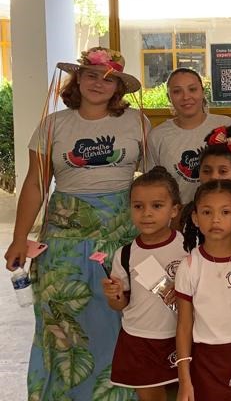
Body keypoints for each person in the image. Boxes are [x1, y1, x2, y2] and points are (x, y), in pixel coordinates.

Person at [4, 47, 149, 400]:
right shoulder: (53, 124)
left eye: (108, 79)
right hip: (63, 247)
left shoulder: (136, 122)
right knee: (62, 324)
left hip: (121, 241)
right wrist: (19, 238)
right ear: (78, 79)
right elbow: (35, 184)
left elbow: (155, 181)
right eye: (91, 75)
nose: (99, 84)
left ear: (118, 88)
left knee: (121, 321)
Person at [175, 180, 231, 401]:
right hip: (206, 360)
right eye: (207, 212)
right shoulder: (189, 266)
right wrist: (184, 380)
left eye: (225, 212)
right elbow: (184, 326)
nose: (215, 219)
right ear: (195, 218)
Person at [104, 167, 187, 400]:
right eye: (138, 206)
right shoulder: (125, 254)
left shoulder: (189, 247)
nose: (146, 213)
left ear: (174, 210)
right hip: (138, 340)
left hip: (180, 338)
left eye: (157, 206)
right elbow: (119, 305)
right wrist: (114, 295)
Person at [147, 68, 231, 204]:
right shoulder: (158, 136)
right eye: (177, 91)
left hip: (222, 209)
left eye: (192, 89)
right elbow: (154, 184)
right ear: (169, 97)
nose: (186, 97)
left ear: (203, 92)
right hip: (177, 212)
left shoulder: (226, 126)